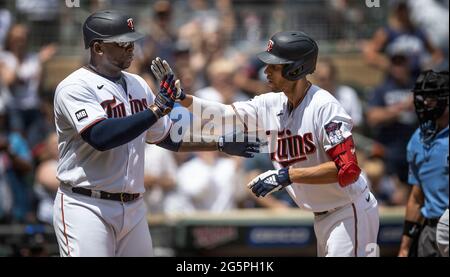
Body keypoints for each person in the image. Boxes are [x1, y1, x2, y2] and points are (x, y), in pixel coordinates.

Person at [153, 31, 380, 257]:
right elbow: (223, 114)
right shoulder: (270, 103)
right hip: (323, 216)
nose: (266, 71)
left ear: (296, 69)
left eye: (274, 66)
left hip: (349, 211)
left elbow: (347, 170)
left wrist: (287, 176)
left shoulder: (324, 106)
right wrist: (183, 98)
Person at [52, 10, 259, 257]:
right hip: (86, 205)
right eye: (122, 42)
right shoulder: (74, 87)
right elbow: (101, 137)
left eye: (132, 41)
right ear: (97, 48)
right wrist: (155, 109)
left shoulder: (138, 84)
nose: (131, 48)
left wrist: (220, 143)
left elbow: (167, 136)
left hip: (134, 207)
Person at [398, 70, 449, 257]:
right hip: (430, 232)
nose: (426, 103)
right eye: (423, 97)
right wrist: (404, 246)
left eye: (432, 97)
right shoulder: (417, 139)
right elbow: (417, 197)